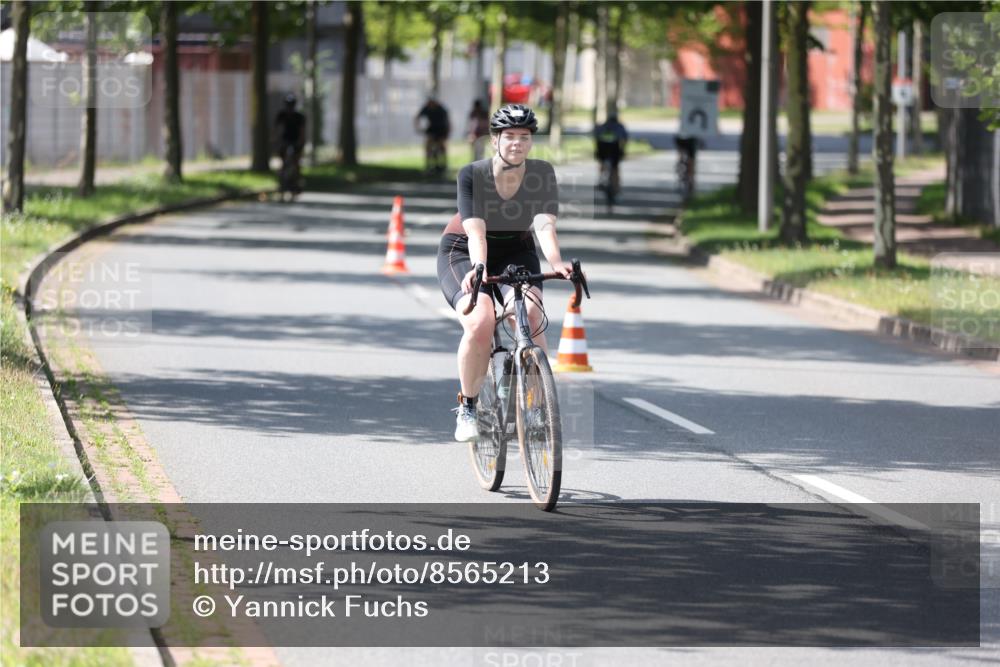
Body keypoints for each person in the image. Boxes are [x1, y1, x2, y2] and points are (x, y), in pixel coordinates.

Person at [436, 104, 574, 442]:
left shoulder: (541, 173)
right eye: (509, 136)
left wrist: (556, 262)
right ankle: (468, 407)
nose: (517, 143)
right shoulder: (473, 174)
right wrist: (479, 269)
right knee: (481, 321)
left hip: (516, 248)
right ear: (495, 140)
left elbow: (543, 225)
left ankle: (538, 405)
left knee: (529, 312)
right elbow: (476, 233)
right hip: (464, 250)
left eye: (524, 137)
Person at [274, 94, 306, 195]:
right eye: (288, 105)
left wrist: (301, 143)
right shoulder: (281, 115)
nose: (289, 107)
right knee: (283, 162)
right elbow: (277, 129)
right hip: (285, 140)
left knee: (296, 162)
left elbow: (302, 131)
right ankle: (281, 183)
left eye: (291, 105)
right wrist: (276, 140)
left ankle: (297, 182)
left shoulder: (299, 116)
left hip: (295, 141)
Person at [594, 112, 629, 195]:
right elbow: (624, 139)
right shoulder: (619, 127)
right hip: (614, 148)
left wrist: (596, 150)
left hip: (602, 148)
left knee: (602, 163)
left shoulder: (602, 126)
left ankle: (601, 179)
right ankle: (616, 187)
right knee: (615, 168)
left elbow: (596, 138)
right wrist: (623, 150)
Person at [415, 96, 451, 175]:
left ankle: (443, 165)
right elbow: (417, 117)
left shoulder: (441, 109)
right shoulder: (426, 108)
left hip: (441, 129)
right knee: (428, 147)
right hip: (432, 129)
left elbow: (448, 121)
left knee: (442, 147)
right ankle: (429, 165)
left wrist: (447, 132)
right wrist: (418, 128)